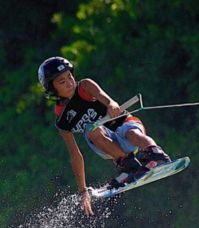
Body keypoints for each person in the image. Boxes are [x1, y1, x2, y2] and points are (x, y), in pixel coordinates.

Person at [38, 56, 171, 216]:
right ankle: (129, 166)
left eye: (70, 77)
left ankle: (156, 154)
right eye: (62, 81)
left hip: (124, 126)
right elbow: (75, 155)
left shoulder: (85, 86)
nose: (70, 82)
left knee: (130, 132)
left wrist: (111, 105)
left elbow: (107, 100)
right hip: (109, 146)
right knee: (91, 129)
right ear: (52, 89)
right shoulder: (62, 119)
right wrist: (83, 191)